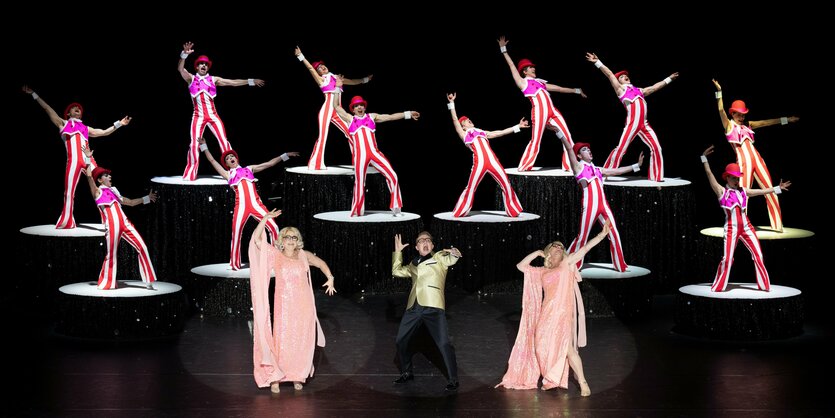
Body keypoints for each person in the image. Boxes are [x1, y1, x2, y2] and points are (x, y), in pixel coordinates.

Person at [496, 220, 612, 395]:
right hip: (546, 316)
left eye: (561, 247)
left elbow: (584, 250)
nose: (559, 247)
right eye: (555, 246)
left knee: (568, 349)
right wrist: (536, 252)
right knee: (540, 348)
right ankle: (551, 377)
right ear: (548, 251)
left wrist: (601, 235)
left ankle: (583, 382)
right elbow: (521, 266)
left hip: (563, 315)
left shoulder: (567, 264)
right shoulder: (542, 271)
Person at [248, 209, 336, 393]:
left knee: (302, 342)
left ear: (298, 240)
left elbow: (320, 263)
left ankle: (298, 376)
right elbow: (257, 240)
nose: (290, 240)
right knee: (283, 341)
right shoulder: (275, 255)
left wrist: (330, 277)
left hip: (303, 306)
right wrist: (264, 219)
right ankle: (276, 378)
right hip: (284, 307)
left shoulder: (304, 255)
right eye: (287, 237)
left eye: (294, 237)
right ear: (281, 239)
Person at [22, 85, 132, 229]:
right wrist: (34, 94)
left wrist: (120, 124)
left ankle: (109, 219)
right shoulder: (63, 124)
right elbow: (47, 109)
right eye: (74, 108)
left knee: (103, 186)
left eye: (79, 109)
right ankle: (67, 221)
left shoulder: (86, 129)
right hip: (73, 161)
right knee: (69, 193)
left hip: (88, 160)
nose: (77, 109)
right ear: (68, 114)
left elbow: (104, 132)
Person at [198, 137, 299, 270]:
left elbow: (269, 164)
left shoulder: (249, 169)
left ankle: (276, 259)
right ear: (226, 164)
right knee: (236, 232)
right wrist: (204, 147)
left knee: (274, 227)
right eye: (227, 158)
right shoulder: (228, 174)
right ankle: (234, 263)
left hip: (257, 204)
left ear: (236, 158)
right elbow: (212, 160)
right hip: (241, 207)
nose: (230, 158)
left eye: (231, 156)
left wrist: (285, 156)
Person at [700, 145, 790, 292]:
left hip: (747, 227)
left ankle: (764, 286)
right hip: (731, 228)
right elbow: (709, 174)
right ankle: (718, 287)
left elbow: (761, 191)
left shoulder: (743, 191)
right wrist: (704, 158)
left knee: (758, 255)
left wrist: (777, 188)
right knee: (727, 259)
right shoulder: (721, 191)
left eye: (738, 178)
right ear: (727, 177)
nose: (737, 180)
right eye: (734, 178)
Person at [712, 79, 798, 232]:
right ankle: (740, 225)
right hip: (743, 163)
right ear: (733, 113)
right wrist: (719, 92)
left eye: (744, 114)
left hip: (758, 160)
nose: (743, 117)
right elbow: (720, 111)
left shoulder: (748, 125)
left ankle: (778, 226)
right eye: (740, 114)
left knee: (771, 189)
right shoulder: (729, 125)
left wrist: (786, 120)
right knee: (743, 195)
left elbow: (766, 122)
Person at [555, 127, 643, 272]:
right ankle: (569, 263)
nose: (588, 151)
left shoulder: (597, 169)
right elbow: (570, 148)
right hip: (590, 206)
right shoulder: (578, 167)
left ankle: (620, 265)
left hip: (604, 205)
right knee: (582, 237)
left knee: (614, 233)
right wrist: (559, 133)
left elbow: (617, 171)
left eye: (588, 149)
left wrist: (636, 166)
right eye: (584, 150)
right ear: (579, 156)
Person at [178, 42, 265, 181]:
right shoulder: (191, 78)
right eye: (201, 64)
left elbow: (232, 82)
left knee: (224, 141)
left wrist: (250, 81)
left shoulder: (213, 79)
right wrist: (184, 55)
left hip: (213, 116)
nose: (203, 66)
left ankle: (234, 171)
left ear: (208, 67)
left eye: (206, 64)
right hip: (198, 116)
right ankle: (190, 176)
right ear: (197, 66)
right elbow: (180, 69)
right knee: (194, 143)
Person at [497, 36, 587, 172]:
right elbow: (511, 66)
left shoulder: (540, 82)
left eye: (533, 67)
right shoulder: (523, 82)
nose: (533, 69)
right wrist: (503, 49)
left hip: (552, 111)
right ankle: (524, 167)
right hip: (539, 111)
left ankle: (570, 165)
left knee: (567, 136)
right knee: (536, 140)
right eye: (529, 68)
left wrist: (576, 90)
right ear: (524, 71)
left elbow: (558, 88)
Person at [585, 53, 678, 182]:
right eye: (622, 77)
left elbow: (654, 87)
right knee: (621, 149)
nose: (625, 77)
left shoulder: (640, 90)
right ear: (619, 81)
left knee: (657, 147)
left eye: (626, 76)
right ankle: (605, 174)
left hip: (644, 124)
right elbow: (610, 74)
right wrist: (597, 62)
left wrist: (669, 79)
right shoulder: (620, 89)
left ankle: (656, 177)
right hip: (632, 123)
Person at [392, 231, 462, 391]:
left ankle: (453, 378)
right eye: (421, 240)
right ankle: (406, 372)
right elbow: (396, 271)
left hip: (433, 307)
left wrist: (455, 252)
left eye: (428, 240)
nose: (425, 242)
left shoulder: (439, 257)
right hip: (414, 307)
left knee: (443, 343)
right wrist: (398, 252)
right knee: (401, 340)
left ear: (432, 245)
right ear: (417, 247)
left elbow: (452, 258)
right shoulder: (413, 263)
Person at [81, 147, 157, 290]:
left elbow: (129, 202)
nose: (110, 177)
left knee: (143, 247)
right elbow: (89, 177)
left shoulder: (114, 191)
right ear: (100, 179)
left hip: (125, 223)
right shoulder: (97, 192)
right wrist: (87, 158)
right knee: (111, 255)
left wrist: (146, 198)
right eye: (106, 176)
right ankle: (106, 283)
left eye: (109, 175)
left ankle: (148, 280)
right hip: (112, 225)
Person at [333, 95, 419, 216]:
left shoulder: (372, 117)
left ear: (364, 106)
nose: (359, 107)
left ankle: (396, 207)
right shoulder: (350, 118)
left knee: (393, 175)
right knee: (359, 183)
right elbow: (336, 106)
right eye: (356, 106)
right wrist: (337, 89)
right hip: (360, 156)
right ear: (353, 109)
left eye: (361, 105)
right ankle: (358, 211)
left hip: (375, 153)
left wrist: (408, 114)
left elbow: (390, 117)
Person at [446, 93, 526, 217]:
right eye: (466, 120)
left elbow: (500, 132)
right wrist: (452, 103)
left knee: (506, 183)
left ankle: (513, 210)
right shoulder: (464, 134)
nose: (469, 120)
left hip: (493, 161)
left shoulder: (482, 132)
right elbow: (455, 119)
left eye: (469, 119)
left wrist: (517, 127)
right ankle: (460, 211)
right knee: (471, 187)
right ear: (463, 125)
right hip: (479, 163)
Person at [295, 46, 373, 170]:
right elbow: (310, 68)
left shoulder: (337, 79)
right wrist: (301, 56)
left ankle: (359, 160)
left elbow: (352, 81)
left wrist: (365, 80)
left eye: (322, 65)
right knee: (323, 136)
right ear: (319, 72)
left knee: (352, 132)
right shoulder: (321, 80)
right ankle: (316, 164)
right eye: (319, 68)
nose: (322, 67)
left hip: (338, 111)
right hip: (326, 109)